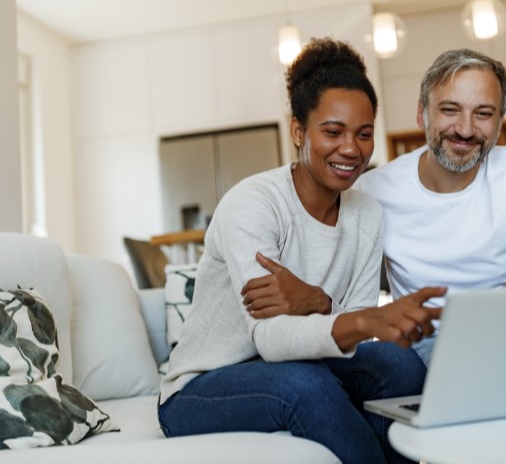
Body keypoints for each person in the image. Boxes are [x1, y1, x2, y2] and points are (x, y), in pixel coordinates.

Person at [158, 37, 443, 464]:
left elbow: (357, 330)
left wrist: (316, 299)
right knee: (305, 385)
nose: (351, 148)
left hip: (304, 362)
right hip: (205, 386)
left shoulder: (366, 213)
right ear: (297, 130)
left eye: (364, 134)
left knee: (397, 364)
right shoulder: (253, 204)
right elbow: (272, 340)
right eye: (333, 131)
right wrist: (353, 314)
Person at [355, 48, 506, 365]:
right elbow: (349, 300)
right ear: (422, 113)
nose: (465, 129)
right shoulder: (372, 189)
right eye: (450, 110)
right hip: (423, 349)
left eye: (484, 114)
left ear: (500, 123)